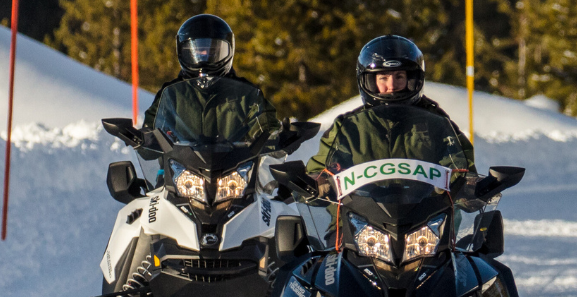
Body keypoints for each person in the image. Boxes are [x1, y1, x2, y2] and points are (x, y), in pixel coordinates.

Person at [303, 35, 475, 189]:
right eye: (383, 78)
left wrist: (468, 185)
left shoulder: (437, 123)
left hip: (428, 218)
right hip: (357, 219)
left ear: (412, 79)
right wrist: (316, 183)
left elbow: (460, 167)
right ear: (369, 81)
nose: (392, 85)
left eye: (399, 77)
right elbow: (321, 170)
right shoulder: (348, 127)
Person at [142, 15, 281, 162]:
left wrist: (276, 137)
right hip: (180, 174)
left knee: (276, 184)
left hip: (236, 174)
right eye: (197, 51)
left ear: (229, 50)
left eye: (212, 51)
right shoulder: (172, 94)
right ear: (183, 52)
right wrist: (145, 138)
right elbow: (150, 133)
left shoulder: (246, 95)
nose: (204, 57)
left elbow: (266, 125)